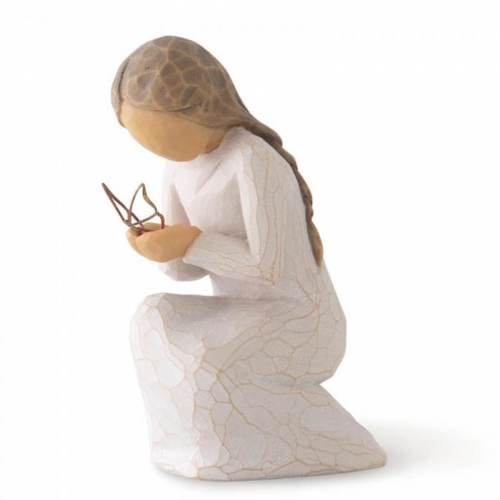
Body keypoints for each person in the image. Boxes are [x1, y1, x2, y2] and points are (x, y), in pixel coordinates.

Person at [112, 35, 386, 480]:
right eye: (146, 142)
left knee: (204, 359)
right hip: (241, 311)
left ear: (200, 109)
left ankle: (298, 442)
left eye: (164, 136)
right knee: (151, 318)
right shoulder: (178, 166)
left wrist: (191, 242)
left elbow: (269, 268)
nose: (159, 151)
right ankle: (184, 443)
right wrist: (162, 249)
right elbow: (182, 271)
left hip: (299, 318)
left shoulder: (252, 160)